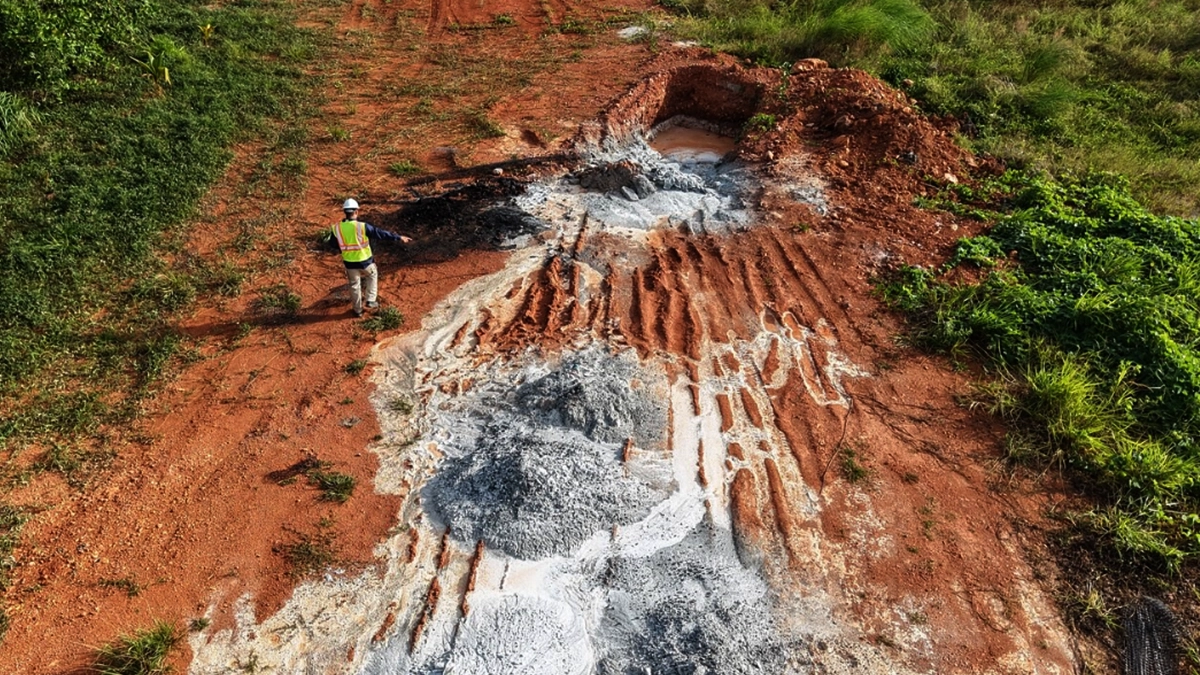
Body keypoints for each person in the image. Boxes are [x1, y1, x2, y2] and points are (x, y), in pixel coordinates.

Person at [332, 198, 411, 317]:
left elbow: (333, 244)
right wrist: (398, 237)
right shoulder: (362, 226)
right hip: (365, 261)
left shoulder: (336, 228)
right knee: (372, 275)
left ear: (345, 212)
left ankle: (357, 311)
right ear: (357, 211)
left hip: (349, 263)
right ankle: (370, 300)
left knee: (354, 285)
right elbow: (380, 233)